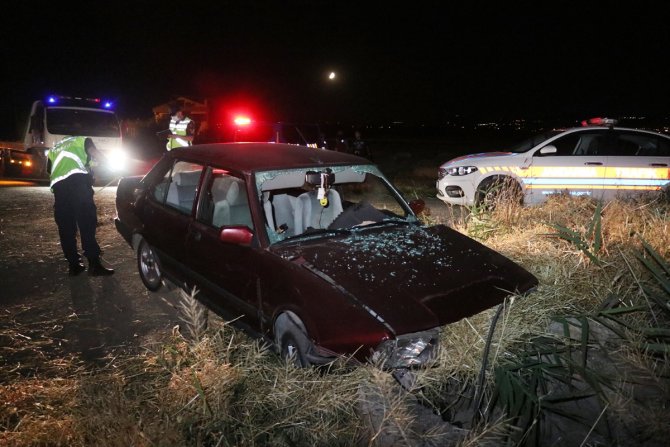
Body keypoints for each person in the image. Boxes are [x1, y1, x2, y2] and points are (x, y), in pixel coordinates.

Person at [48, 136, 114, 276]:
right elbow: (95, 154)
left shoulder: (55, 148)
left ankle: (74, 265)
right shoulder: (82, 140)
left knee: (66, 228)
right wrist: (111, 166)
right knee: (87, 225)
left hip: (59, 190)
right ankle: (94, 265)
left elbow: (49, 169)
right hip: (78, 185)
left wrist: (88, 169)